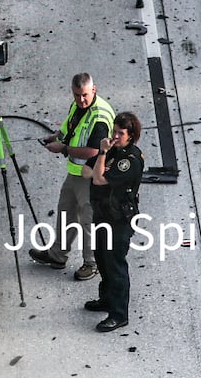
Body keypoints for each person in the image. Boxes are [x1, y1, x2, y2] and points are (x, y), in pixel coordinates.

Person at [29, 73, 115, 280]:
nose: (80, 100)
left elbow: (93, 151)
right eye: (77, 95)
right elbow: (69, 127)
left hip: (92, 175)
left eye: (84, 95)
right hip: (76, 172)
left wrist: (64, 148)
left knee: (88, 220)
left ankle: (91, 263)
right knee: (66, 212)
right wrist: (56, 137)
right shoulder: (77, 106)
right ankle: (57, 255)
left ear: (93, 90)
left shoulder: (100, 116)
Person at [84, 111, 145, 332]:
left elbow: (98, 178)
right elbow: (85, 171)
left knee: (115, 265)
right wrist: (101, 163)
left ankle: (119, 314)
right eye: (115, 132)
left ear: (131, 136)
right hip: (102, 215)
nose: (116, 137)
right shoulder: (113, 152)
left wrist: (102, 155)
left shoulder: (130, 161)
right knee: (101, 258)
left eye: (121, 133)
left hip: (119, 220)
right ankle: (107, 299)